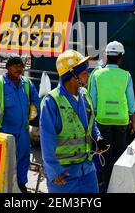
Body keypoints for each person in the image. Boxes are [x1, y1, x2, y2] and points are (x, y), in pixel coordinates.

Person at [40, 50, 109, 193]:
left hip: (87, 171)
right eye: (84, 72)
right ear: (72, 76)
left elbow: (91, 122)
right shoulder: (52, 102)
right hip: (64, 175)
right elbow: (47, 141)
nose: (88, 75)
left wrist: (98, 136)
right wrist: (54, 171)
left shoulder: (85, 94)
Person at [88, 41, 135, 193]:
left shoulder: (96, 74)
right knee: (119, 154)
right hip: (122, 121)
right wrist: (133, 120)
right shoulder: (126, 75)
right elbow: (131, 101)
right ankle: (118, 186)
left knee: (105, 155)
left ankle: (106, 185)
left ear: (107, 56)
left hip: (102, 121)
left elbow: (92, 101)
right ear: (120, 58)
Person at [0, 55, 41, 193]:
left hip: (23, 130)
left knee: (23, 157)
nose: (19, 69)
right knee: (7, 159)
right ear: (8, 68)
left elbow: (36, 100)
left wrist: (33, 112)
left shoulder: (27, 83)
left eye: (21, 66)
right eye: (15, 66)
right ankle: (6, 184)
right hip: (5, 130)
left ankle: (21, 183)